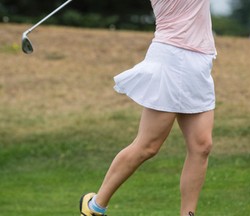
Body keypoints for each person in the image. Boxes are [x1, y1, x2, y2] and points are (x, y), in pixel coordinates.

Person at [80, 0, 217, 215]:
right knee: (148, 146)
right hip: (170, 57)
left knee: (202, 145)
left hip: (200, 61)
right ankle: (95, 206)